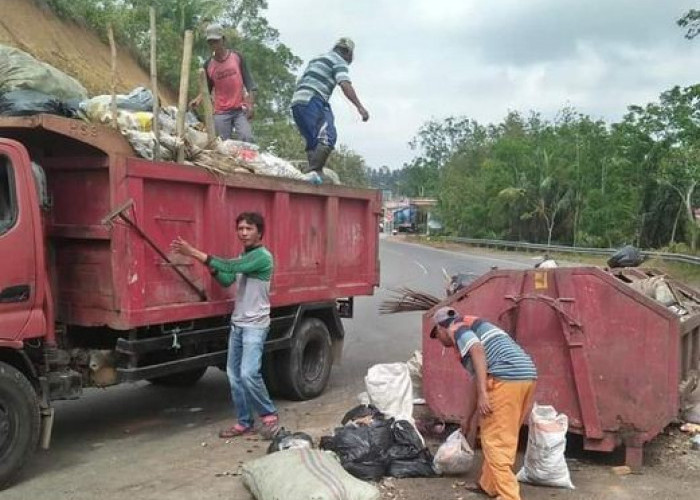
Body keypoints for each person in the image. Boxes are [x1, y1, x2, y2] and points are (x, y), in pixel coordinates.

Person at [171, 212, 278, 439]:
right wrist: (213, 269)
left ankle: (269, 416)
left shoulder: (262, 257)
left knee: (249, 374)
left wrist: (193, 253)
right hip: (238, 324)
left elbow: (230, 266)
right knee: (234, 376)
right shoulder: (244, 257)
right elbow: (227, 279)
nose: (243, 233)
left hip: (255, 325)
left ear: (260, 232)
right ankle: (243, 422)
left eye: (248, 229)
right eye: (240, 229)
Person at [430, 307, 537, 500]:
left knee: (496, 441)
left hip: (506, 379)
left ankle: (509, 496)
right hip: (525, 377)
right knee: (502, 435)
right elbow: (476, 379)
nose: (439, 340)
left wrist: (483, 395)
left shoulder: (457, 329)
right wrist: (467, 418)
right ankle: (489, 485)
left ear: (440, 328)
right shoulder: (473, 326)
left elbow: (477, 350)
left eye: (436, 335)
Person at [291, 37, 369, 173]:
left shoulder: (317, 59)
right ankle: (312, 172)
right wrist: (360, 107)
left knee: (313, 142)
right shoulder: (339, 61)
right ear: (348, 53)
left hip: (297, 102)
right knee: (328, 137)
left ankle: (314, 175)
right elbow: (344, 83)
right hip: (313, 100)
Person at [189, 23, 257, 143]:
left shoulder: (237, 57)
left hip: (240, 109)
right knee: (222, 143)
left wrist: (250, 106)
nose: (214, 45)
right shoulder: (208, 65)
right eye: (211, 42)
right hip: (221, 112)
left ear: (223, 40)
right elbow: (207, 89)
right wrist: (198, 99)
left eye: (216, 41)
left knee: (247, 138)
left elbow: (250, 83)